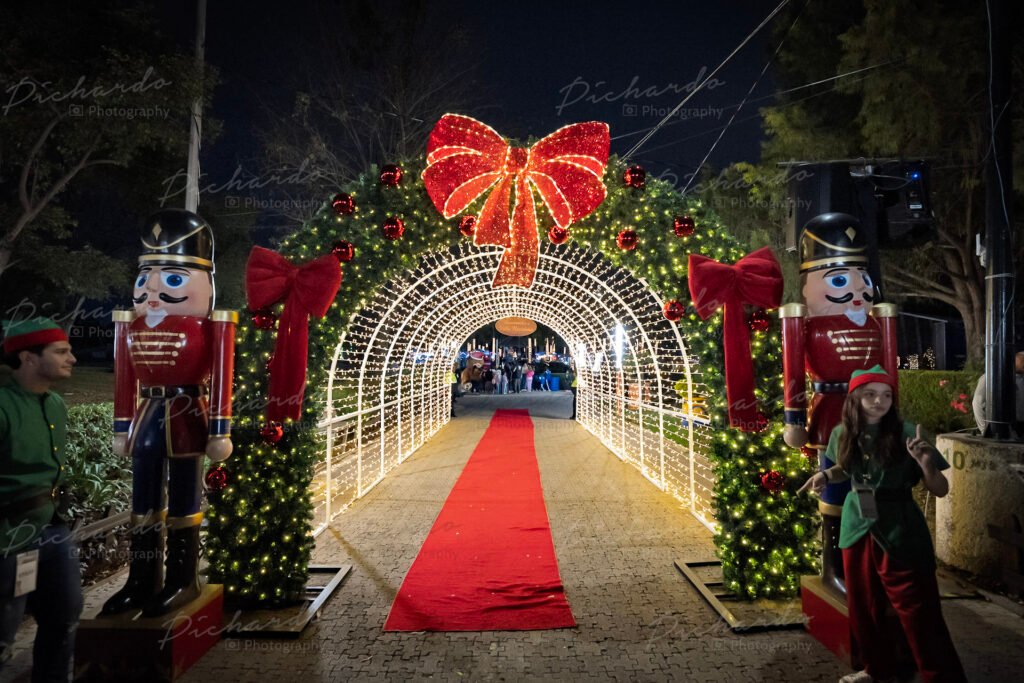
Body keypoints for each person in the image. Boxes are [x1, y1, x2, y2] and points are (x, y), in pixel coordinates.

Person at [102, 209, 237, 618]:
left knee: (184, 500)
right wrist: (122, 425)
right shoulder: (131, 325)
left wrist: (219, 429)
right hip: (147, 416)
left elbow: (221, 378)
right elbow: (125, 377)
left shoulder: (212, 326)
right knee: (142, 503)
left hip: (186, 414)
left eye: (173, 278)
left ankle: (183, 578)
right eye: (146, 278)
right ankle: (141, 579)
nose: (153, 290)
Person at [799, 366, 966, 683]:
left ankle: (939, 676)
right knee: (864, 607)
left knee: (918, 609)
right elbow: (844, 470)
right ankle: (877, 669)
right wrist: (824, 475)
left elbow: (940, 489)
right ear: (855, 398)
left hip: (899, 526)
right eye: (870, 394)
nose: (880, 401)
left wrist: (927, 464)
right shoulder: (842, 433)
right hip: (857, 524)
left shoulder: (907, 434)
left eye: (886, 395)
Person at [0, 317, 82, 682]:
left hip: (52, 530)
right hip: (8, 537)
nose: (72, 358)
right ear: (28, 358)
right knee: (3, 636)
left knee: (64, 619)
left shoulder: (56, 406)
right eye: (61, 352)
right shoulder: (2, 406)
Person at [972, 351, 1024, 435]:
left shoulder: (1021, 378)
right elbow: (977, 402)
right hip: (1002, 426)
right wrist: (984, 429)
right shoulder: (990, 377)